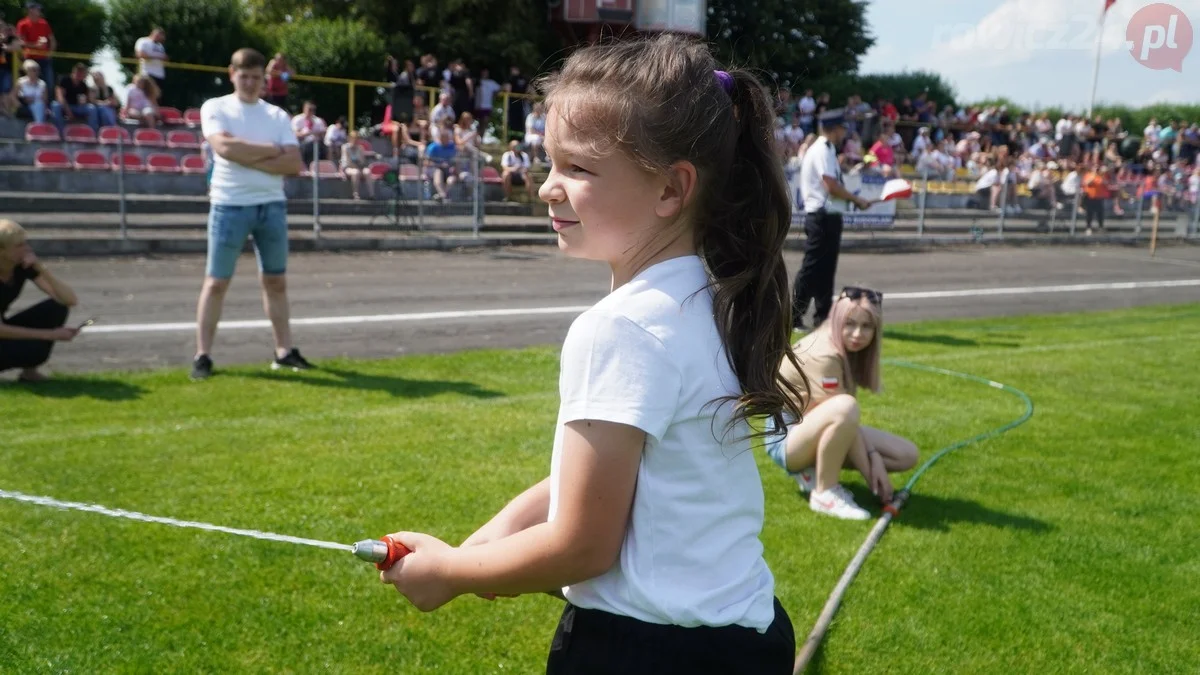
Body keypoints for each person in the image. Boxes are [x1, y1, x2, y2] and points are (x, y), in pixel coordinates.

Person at [378, 35, 801, 674]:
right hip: (747, 635)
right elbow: (607, 477)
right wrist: (492, 540)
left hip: (648, 653)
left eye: (578, 169)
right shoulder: (706, 300)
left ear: (670, 189)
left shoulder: (621, 329)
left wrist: (453, 574)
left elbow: (583, 546)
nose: (549, 188)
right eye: (550, 163)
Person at [194, 47, 310, 381]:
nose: (249, 83)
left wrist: (246, 153)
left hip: (271, 205)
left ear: (264, 79)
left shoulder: (275, 116)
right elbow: (224, 148)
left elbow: (293, 164)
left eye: (256, 78)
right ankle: (203, 355)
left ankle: (283, 351)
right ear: (232, 74)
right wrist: (274, 151)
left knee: (276, 281)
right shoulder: (216, 107)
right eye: (243, 76)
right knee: (216, 282)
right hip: (229, 204)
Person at [766, 287, 918, 519]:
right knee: (845, 406)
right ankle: (824, 492)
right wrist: (873, 475)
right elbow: (842, 415)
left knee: (906, 454)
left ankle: (813, 471)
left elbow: (843, 423)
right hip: (785, 440)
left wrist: (873, 457)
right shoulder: (824, 355)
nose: (858, 334)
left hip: (810, 426)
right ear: (837, 319)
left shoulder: (841, 345)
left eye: (866, 326)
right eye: (850, 324)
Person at [792, 109, 872, 330]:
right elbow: (831, 185)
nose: (843, 132)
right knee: (813, 267)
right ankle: (794, 316)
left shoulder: (825, 150)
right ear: (834, 128)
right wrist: (856, 199)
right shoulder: (823, 149)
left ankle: (822, 318)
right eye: (842, 128)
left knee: (825, 269)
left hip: (827, 215)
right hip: (822, 216)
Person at [0, 219, 79, 382]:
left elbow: (68, 300)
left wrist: (40, 268)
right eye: (19, 246)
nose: (27, 249)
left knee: (57, 307)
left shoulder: (20, 266)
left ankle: (29, 373)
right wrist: (50, 335)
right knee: (35, 350)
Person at [51, 62, 98, 134]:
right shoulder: (64, 80)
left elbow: (88, 100)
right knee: (55, 105)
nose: (79, 75)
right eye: (78, 72)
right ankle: (60, 132)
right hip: (65, 106)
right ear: (74, 72)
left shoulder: (83, 85)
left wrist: (84, 102)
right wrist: (68, 111)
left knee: (91, 108)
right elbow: (60, 97)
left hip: (76, 107)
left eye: (82, 73)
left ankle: (92, 133)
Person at [15, 2, 54, 87]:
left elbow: (52, 40)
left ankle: (48, 100)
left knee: (49, 83)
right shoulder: (22, 24)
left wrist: (50, 53)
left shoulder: (44, 23)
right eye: (37, 9)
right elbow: (20, 42)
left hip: (44, 59)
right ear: (30, 10)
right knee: (29, 83)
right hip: (30, 58)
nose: (39, 11)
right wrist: (36, 45)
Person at [134, 27, 168, 106]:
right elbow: (140, 54)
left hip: (159, 75)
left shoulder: (160, 46)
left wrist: (163, 57)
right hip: (148, 73)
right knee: (149, 96)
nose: (161, 38)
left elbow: (165, 58)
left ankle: (155, 114)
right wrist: (157, 57)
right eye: (160, 35)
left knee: (157, 96)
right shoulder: (143, 41)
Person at [340, 130, 373, 200]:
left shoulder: (360, 148)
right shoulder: (345, 147)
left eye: (357, 139)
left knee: (367, 171)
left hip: (359, 167)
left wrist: (359, 164)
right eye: (354, 138)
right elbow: (347, 162)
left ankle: (371, 194)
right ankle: (355, 194)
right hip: (348, 168)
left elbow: (362, 161)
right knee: (356, 172)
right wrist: (356, 165)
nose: (355, 140)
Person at [291, 100, 327, 164]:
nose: (311, 111)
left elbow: (323, 133)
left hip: (317, 143)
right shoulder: (297, 119)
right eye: (309, 109)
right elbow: (294, 134)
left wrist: (319, 133)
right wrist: (306, 134)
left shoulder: (318, 120)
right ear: (304, 109)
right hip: (301, 143)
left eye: (313, 110)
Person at [1082, 165, 1112, 236]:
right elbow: (1087, 183)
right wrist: (1094, 175)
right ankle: (1088, 227)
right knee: (1090, 213)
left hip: (1099, 197)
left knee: (1100, 213)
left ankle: (1100, 227)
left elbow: (1106, 183)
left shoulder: (1101, 176)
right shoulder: (1088, 175)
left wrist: (1102, 174)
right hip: (1090, 197)